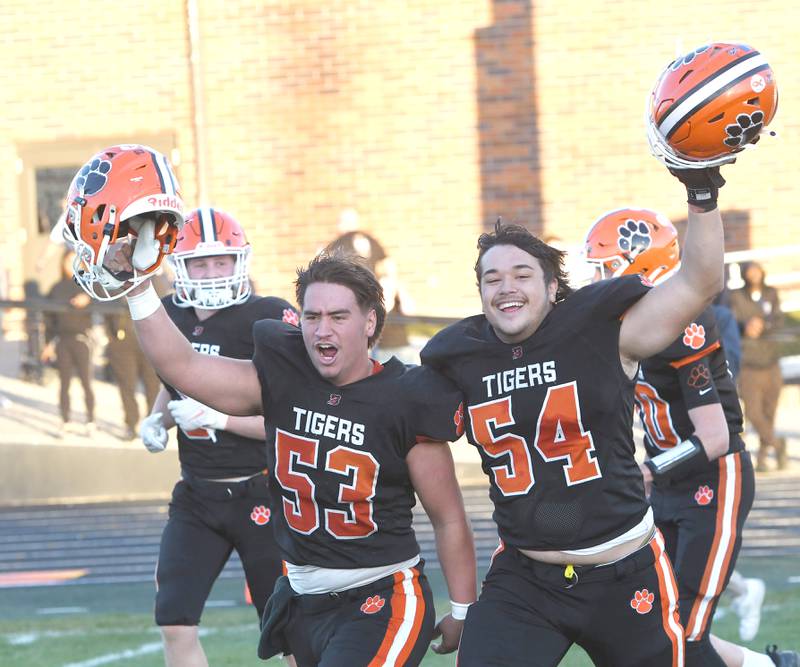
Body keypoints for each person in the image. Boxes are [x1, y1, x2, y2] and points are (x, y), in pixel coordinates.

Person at [97, 244, 476, 665]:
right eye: (312, 317)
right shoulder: (285, 375)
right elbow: (183, 366)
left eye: (338, 316)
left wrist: (463, 608)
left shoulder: (405, 397)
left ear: (370, 322)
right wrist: (137, 288)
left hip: (382, 595)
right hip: (302, 599)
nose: (322, 330)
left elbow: (448, 516)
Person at [585, 208, 797, 667]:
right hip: (667, 484)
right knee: (653, 623)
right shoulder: (622, 328)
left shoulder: (684, 321)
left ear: (640, 263)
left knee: (681, 636)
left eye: (605, 267)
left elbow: (716, 436)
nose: (596, 280)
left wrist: (648, 468)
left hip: (714, 481)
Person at [135, 207, 298, 667]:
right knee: (173, 619)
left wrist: (218, 418)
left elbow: (290, 420)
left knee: (288, 630)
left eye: (221, 261)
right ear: (178, 266)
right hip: (198, 494)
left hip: (262, 490)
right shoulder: (167, 314)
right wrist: (157, 418)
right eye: (200, 263)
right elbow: (176, 381)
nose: (212, 272)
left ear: (240, 261)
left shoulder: (269, 318)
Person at [729, 262, 787, 471]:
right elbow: (731, 322)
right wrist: (746, 326)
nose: (754, 274)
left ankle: (763, 457)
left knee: (769, 411)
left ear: (763, 273)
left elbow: (779, 320)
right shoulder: (736, 297)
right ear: (745, 274)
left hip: (771, 361)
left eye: (757, 270)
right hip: (748, 363)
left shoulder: (770, 294)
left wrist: (764, 325)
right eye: (750, 271)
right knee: (753, 412)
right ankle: (778, 444)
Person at [104, 276, 169, 440]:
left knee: (152, 385)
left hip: (150, 340)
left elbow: (163, 305)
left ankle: (152, 424)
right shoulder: (115, 276)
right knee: (127, 385)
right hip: (123, 341)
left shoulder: (154, 277)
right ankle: (131, 424)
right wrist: (111, 336)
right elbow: (105, 303)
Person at [41, 250, 96, 435]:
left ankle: (90, 420)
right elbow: (48, 319)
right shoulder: (56, 288)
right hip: (62, 341)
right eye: (68, 260)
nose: (71, 264)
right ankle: (65, 420)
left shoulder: (89, 286)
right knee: (64, 383)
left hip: (82, 340)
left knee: (86, 382)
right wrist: (48, 344)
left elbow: (102, 300)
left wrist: (88, 299)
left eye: (75, 260)